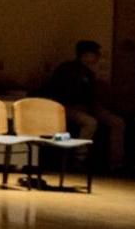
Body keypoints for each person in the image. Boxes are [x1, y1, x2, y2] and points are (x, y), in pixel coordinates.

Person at [44, 40, 126, 171]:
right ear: (85, 55)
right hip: (68, 106)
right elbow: (63, 93)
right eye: (95, 54)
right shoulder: (67, 70)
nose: (98, 57)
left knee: (118, 122)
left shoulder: (89, 73)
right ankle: (80, 157)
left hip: (89, 106)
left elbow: (91, 96)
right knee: (90, 122)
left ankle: (116, 162)